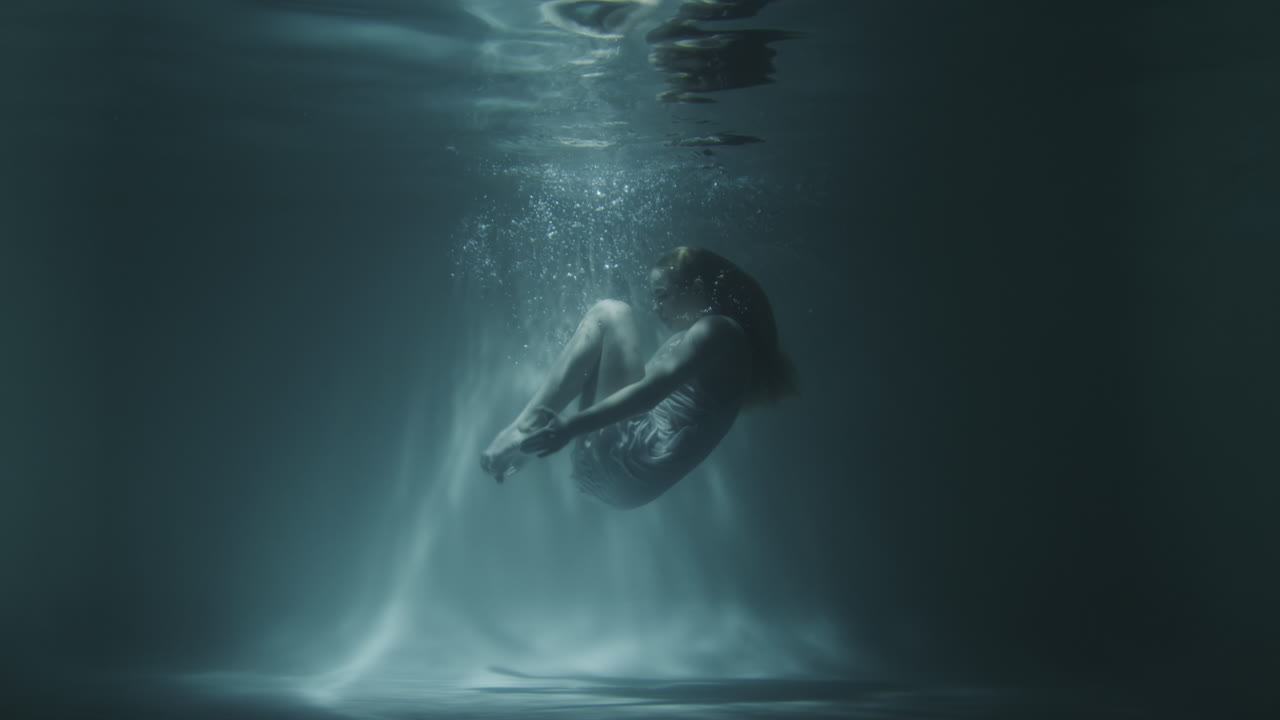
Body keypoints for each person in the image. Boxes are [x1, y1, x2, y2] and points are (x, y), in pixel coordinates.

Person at [480, 246, 796, 508]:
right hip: (624, 482)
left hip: (628, 458)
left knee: (611, 312)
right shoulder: (706, 339)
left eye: (663, 295)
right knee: (602, 345)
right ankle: (525, 445)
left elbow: (648, 394)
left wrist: (569, 428)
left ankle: (523, 430)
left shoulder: (717, 331)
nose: (656, 308)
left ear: (697, 290)